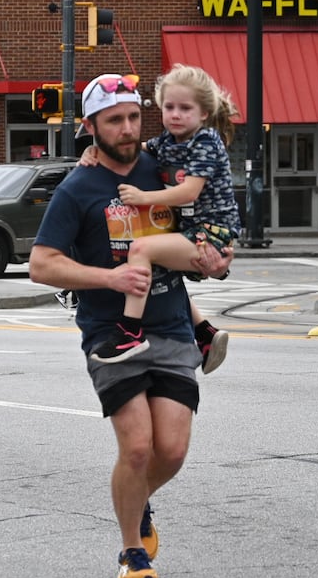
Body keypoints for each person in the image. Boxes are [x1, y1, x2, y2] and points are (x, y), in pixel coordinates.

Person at [29, 72, 231, 578]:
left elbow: (198, 224)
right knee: (138, 447)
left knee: (173, 451)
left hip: (169, 324)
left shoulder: (162, 167)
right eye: (114, 120)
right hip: (109, 332)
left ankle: (136, 503)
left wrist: (213, 261)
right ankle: (132, 551)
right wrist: (110, 277)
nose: (127, 128)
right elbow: (42, 265)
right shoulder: (78, 187)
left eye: (134, 117)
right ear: (91, 126)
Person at [82, 65, 238, 372]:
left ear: (204, 113)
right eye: (169, 107)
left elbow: (190, 191)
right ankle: (204, 333)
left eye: (185, 108)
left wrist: (143, 197)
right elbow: (130, 149)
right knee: (159, 264)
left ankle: (129, 331)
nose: (175, 114)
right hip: (193, 229)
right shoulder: (168, 140)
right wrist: (94, 150)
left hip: (212, 232)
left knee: (141, 249)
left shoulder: (205, 141)